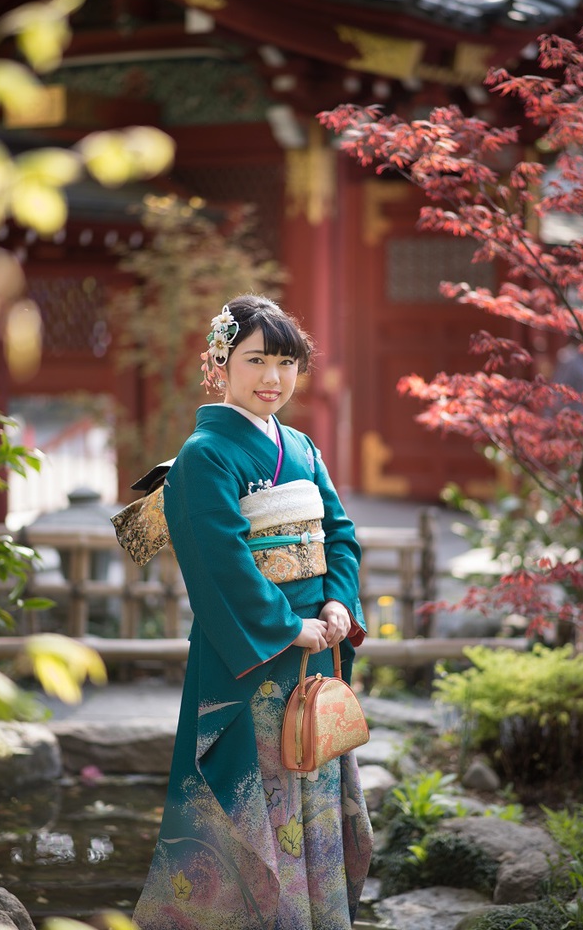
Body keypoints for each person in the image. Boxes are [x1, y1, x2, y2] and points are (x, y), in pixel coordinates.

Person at [132, 295, 372, 930]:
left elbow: (340, 534)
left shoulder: (302, 446)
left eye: (286, 362)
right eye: (256, 359)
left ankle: (312, 917)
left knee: (308, 779)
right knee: (251, 793)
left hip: (315, 644)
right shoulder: (203, 456)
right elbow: (219, 561)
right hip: (248, 651)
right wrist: (286, 625)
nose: (273, 377)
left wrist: (336, 602)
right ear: (221, 362)